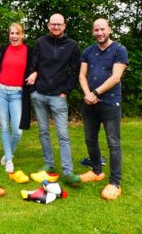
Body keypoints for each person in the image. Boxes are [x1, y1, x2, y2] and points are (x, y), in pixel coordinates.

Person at [28, 13, 81, 185]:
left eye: (59, 24)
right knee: (43, 132)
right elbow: (32, 65)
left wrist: (66, 91)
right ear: (48, 26)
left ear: (64, 26)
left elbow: (75, 71)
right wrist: (34, 88)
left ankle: (68, 171)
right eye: (53, 24)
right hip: (40, 95)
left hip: (59, 96)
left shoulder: (72, 45)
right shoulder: (40, 42)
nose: (56, 27)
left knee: (63, 134)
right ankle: (49, 165)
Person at [79, 18, 128, 200]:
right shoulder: (88, 51)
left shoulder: (119, 50)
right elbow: (82, 75)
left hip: (110, 103)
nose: (99, 33)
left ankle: (115, 183)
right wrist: (88, 94)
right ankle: (96, 171)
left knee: (113, 143)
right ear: (93, 31)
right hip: (90, 103)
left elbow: (115, 77)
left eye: (102, 29)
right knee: (90, 139)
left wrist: (95, 92)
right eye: (96, 30)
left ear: (109, 30)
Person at [0, 23, 32, 173]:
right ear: (9, 35)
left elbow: (38, 65)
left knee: (18, 131)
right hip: (0, 91)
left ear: (22, 35)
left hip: (17, 94)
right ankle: (9, 159)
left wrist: (35, 73)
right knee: (4, 126)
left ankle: (7, 153)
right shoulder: (3, 49)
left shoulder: (29, 51)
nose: (14, 36)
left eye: (17, 33)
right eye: (12, 33)